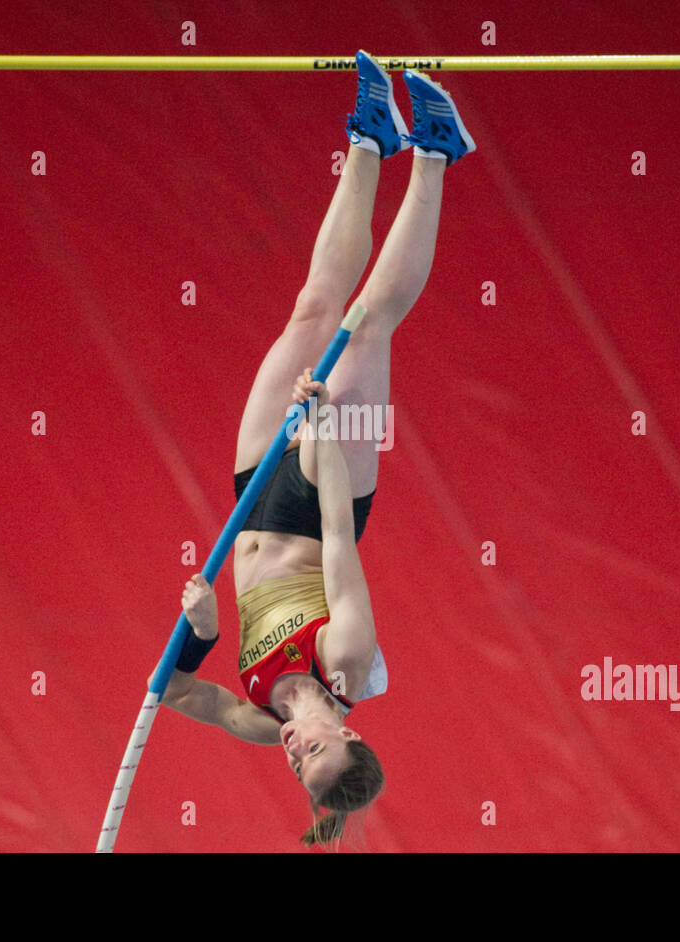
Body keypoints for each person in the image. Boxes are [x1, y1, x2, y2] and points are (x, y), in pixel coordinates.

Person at [148, 50, 474, 847]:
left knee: (311, 310)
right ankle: (434, 156)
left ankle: (371, 137)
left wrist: (200, 627)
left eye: (298, 768)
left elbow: (180, 694)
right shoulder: (347, 663)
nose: (294, 752)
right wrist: (324, 431)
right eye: (317, 753)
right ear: (351, 733)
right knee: (364, 323)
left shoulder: (262, 719)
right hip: (324, 487)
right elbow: (336, 537)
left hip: (253, 496)